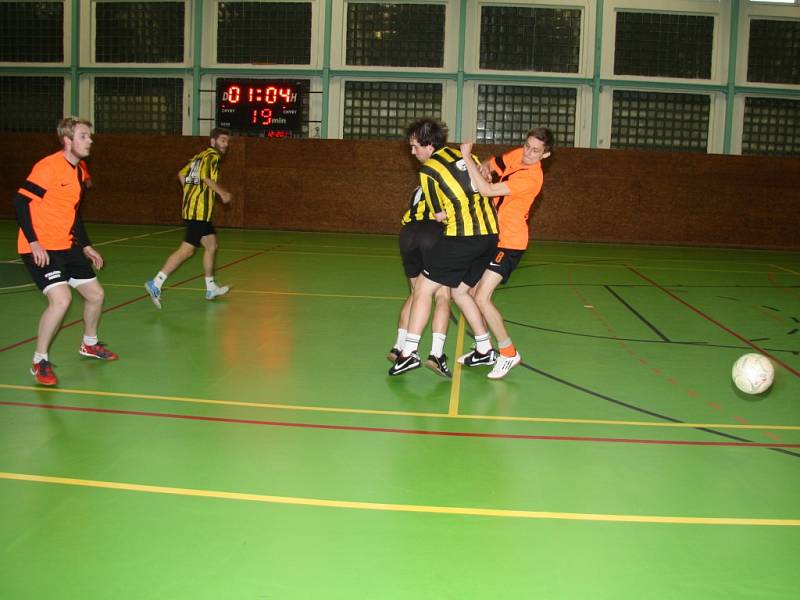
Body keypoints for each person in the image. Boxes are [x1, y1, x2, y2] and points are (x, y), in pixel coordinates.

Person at [389, 118, 499, 377]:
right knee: (460, 292)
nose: (413, 152)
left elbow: (439, 215)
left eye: (415, 147)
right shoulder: (467, 155)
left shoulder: (428, 171)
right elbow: (485, 182)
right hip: (490, 235)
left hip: (463, 237)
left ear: (428, 145)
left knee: (424, 290)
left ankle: (408, 352)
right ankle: (484, 348)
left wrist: (450, 211)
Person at [13, 116, 118, 387]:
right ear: (67, 140)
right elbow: (21, 201)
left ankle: (89, 344)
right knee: (61, 300)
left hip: (66, 245)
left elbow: (73, 215)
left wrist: (86, 246)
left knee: (96, 295)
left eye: (89, 136)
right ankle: (39, 360)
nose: (90, 140)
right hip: (40, 248)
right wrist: (34, 241)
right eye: (84, 136)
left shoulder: (80, 171)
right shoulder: (48, 167)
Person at [458, 127, 554, 379]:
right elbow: (493, 163)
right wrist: (484, 169)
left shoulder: (532, 178)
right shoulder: (517, 156)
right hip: (492, 236)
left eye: (536, 151)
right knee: (465, 291)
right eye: (527, 146)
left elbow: (488, 192)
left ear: (545, 155)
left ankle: (509, 353)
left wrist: (468, 159)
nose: (528, 153)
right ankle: (483, 349)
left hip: (509, 243)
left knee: (481, 298)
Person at [145, 127, 233, 308]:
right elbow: (208, 179)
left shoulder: (198, 157)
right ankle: (156, 282)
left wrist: (189, 191)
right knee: (187, 250)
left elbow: (181, 174)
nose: (225, 144)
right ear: (213, 141)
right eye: (222, 140)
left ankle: (210, 287)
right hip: (198, 212)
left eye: (227, 141)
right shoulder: (212, 157)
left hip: (198, 211)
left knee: (211, 245)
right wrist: (223, 193)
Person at [388, 183, 453, 378]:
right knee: (443, 295)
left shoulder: (419, 186)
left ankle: (398, 347)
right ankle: (436, 354)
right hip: (434, 234)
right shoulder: (452, 183)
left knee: (417, 293)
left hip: (408, 234)